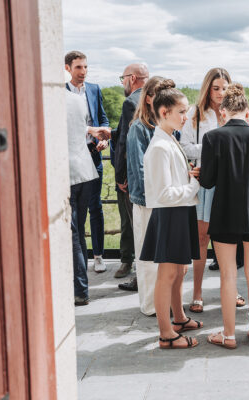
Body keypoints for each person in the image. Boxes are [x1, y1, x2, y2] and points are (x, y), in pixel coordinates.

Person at [200, 83, 249, 348]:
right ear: (247, 111)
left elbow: (207, 182)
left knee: (228, 275)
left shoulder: (212, 138)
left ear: (223, 112)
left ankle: (229, 335)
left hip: (223, 214)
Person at [139, 79, 203, 349]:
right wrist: (194, 185)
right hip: (169, 214)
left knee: (178, 272)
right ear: (164, 112)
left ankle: (178, 319)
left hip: (180, 212)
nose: (185, 117)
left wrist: (188, 176)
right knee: (166, 276)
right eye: (181, 112)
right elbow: (164, 194)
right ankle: (166, 333)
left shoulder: (169, 140)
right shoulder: (159, 147)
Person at [180, 68, 245, 312]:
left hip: (229, 183)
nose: (219, 93)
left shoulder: (236, 113)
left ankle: (233, 290)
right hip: (206, 182)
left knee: (229, 241)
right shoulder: (195, 114)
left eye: (224, 88)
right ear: (207, 88)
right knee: (201, 239)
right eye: (215, 88)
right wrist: (211, 148)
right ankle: (196, 292)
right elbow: (185, 147)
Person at [126, 76, 168, 316]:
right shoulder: (138, 128)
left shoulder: (162, 127)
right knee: (147, 257)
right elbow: (140, 170)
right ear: (149, 98)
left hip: (164, 200)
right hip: (147, 202)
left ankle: (163, 301)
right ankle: (150, 305)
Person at [64, 51, 110, 273]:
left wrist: (104, 138)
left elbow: (103, 119)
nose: (83, 72)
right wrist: (89, 130)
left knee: (96, 207)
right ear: (67, 69)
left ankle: (98, 256)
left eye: (85, 67)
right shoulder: (60, 93)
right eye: (78, 68)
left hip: (94, 154)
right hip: (73, 157)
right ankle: (78, 258)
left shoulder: (94, 89)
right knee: (75, 214)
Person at [65, 90, 111, 305]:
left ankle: (80, 290)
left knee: (73, 233)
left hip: (70, 173)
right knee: (79, 231)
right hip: (86, 171)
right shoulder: (76, 99)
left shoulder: (57, 100)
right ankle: (82, 286)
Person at [112, 63, 149, 287]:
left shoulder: (130, 102)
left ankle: (138, 274)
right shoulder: (156, 99)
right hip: (150, 173)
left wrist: (120, 176)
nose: (122, 83)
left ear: (132, 78)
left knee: (136, 225)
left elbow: (126, 141)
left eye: (122, 78)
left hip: (132, 175)